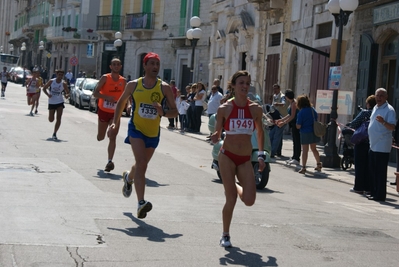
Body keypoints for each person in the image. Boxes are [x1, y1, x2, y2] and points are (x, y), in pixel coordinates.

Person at [108, 52, 177, 219]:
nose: (155, 67)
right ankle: (141, 203)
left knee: (141, 165)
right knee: (142, 163)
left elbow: (174, 112)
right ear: (144, 66)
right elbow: (121, 102)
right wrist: (114, 122)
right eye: (151, 64)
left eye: (157, 64)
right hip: (136, 129)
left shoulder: (164, 88)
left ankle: (128, 178)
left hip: (153, 133)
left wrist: (163, 112)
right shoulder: (133, 85)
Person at [210, 70, 265, 248]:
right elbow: (217, 132)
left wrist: (262, 155)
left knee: (249, 200)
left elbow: (260, 132)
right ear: (233, 86)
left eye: (247, 83)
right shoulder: (224, 108)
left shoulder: (255, 109)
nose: (244, 86)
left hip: (244, 159)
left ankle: (233, 184)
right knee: (231, 198)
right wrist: (215, 136)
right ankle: (225, 234)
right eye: (241, 83)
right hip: (227, 156)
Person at [92, 57, 126, 172]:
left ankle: (109, 161)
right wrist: (107, 97)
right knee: (101, 137)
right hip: (103, 111)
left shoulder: (123, 81)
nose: (116, 66)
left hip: (115, 113)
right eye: (114, 64)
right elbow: (95, 93)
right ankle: (100, 134)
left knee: (113, 136)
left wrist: (129, 105)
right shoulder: (105, 78)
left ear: (120, 67)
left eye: (118, 64)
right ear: (111, 67)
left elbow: (127, 96)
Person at [367, 88, 396, 201]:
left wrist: (383, 122)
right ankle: (374, 192)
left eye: (381, 96)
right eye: (377, 95)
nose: (379, 98)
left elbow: (392, 127)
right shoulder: (375, 107)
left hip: (382, 145)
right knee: (373, 170)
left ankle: (380, 195)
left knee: (380, 172)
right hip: (373, 144)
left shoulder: (389, 110)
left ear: (386, 97)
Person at [348, 95, 376, 194]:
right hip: (372, 143)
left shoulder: (365, 113)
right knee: (369, 166)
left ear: (368, 103)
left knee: (360, 165)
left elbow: (354, 124)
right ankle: (368, 188)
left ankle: (359, 187)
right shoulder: (377, 113)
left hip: (361, 142)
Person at [295, 95, 322, 174]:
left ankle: (303, 167)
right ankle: (318, 164)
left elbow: (298, 125)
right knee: (314, 149)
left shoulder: (301, 112)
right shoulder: (312, 110)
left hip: (305, 132)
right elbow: (316, 118)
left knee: (305, 151)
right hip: (313, 132)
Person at [42, 69, 69, 140]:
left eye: (61, 75)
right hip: (51, 102)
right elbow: (44, 88)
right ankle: (51, 118)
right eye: (59, 75)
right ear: (57, 75)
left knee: (59, 118)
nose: (60, 76)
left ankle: (54, 133)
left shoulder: (63, 83)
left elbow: (67, 92)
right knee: (51, 119)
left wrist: (67, 95)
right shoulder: (51, 81)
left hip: (60, 102)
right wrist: (48, 95)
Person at [276, 89, 301, 165]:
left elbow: (292, 116)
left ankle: (296, 158)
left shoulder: (294, 103)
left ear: (287, 97)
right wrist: (281, 119)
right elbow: (289, 115)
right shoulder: (292, 102)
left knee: (297, 141)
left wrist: (283, 123)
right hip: (293, 124)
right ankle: (294, 157)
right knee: (295, 141)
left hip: (296, 124)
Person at [272, 84, 289, 157]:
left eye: (276, 89)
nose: (274, 90)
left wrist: (277, 104)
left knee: (276, 135)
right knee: (279, 135)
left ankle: (272, 152)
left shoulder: (282, 96)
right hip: (276, 117)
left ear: (279, 89)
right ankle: (278, 151)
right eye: (274, 89)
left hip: (282, 117)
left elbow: (283, 104)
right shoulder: (274, 96)